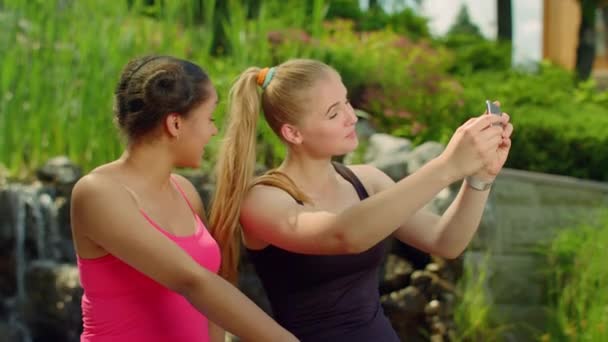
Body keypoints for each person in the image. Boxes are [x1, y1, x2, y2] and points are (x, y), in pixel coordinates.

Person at [209, 59, 513, 341]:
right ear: (293, 133)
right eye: (333, 112)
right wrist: (447, 166)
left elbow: (446, 241)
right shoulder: (262, 199)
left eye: (347, 102)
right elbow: (345, 235)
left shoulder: (367, 180)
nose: (351, 117)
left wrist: (480, 178)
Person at [70, 55, 297, 342]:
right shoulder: (98, 193)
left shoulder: (185, 191)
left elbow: (214, 293)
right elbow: (193, 282)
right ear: (175, 124)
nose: (213, 131)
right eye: (209, 118)